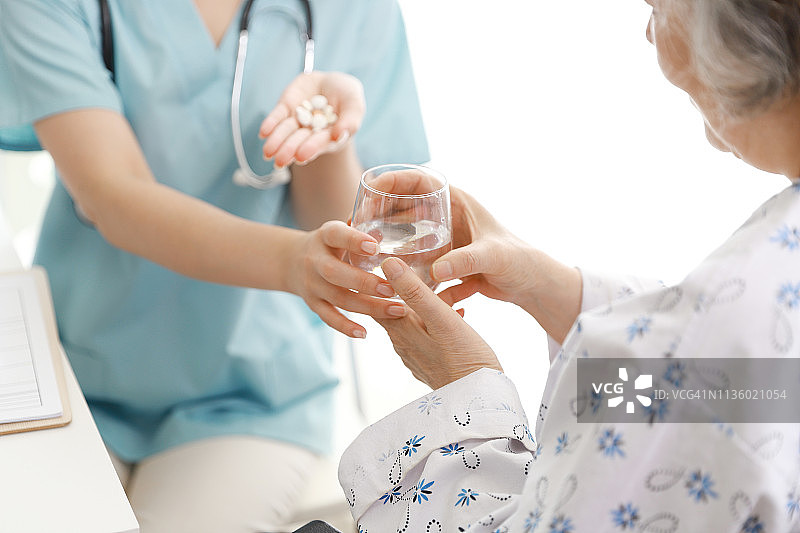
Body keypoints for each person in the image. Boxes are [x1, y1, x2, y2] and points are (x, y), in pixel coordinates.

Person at [339, 0, 800, 531]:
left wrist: (466, 396)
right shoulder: (752, 305)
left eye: (656, 6)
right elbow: (741, 391)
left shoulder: (721, 332)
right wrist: (551, 290)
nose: (649, 33)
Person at [0, 0, 427, 531]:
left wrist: (327, 136)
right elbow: (111, 195)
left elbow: (344, 230)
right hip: (73, 373)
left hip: (252, 393)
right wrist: (291, 261)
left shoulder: (355, 11)